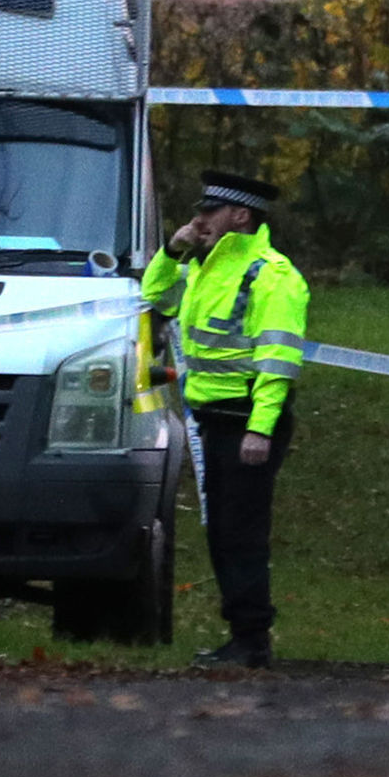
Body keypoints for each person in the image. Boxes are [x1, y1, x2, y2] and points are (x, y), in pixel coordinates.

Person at [142, 168, 309, 667]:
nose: (199, 219)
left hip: (246, 424)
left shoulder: (272, 276)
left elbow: (276, 363)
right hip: (215, 419)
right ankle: (244, 635)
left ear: (240, 214)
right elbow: (154, 298)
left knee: (240, 532)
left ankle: (252, 638)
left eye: (208, 212)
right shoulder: (205, 266)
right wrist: (172, 252)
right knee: (224, 532)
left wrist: (260, 429)